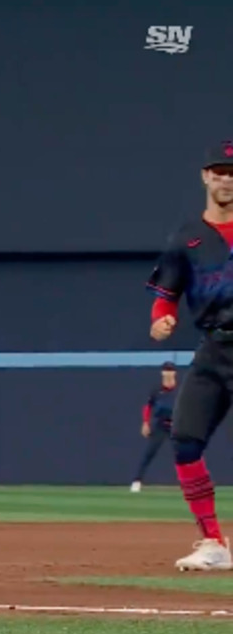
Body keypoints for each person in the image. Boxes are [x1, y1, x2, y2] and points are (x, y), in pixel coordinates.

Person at [144, 140, 233, 572]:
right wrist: (161, 319)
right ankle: (213, 541)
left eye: (232, 172)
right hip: (215, 349)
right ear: (205, 177)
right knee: (184, 439)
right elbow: (166, 296)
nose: (226, 179)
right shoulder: (187, 237)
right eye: (219, 171)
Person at [132, 361, 179, 493]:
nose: (168, 373)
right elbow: (148, 407)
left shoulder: (180, 389)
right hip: (160, 425)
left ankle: (192, 483)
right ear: (162, 373)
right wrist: (145, 422)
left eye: (170, 370)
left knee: (185, 454)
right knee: (149, 453)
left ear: (174, 373)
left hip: (176, 425)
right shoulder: (156, 390)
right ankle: (137, 481)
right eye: (166, 370)